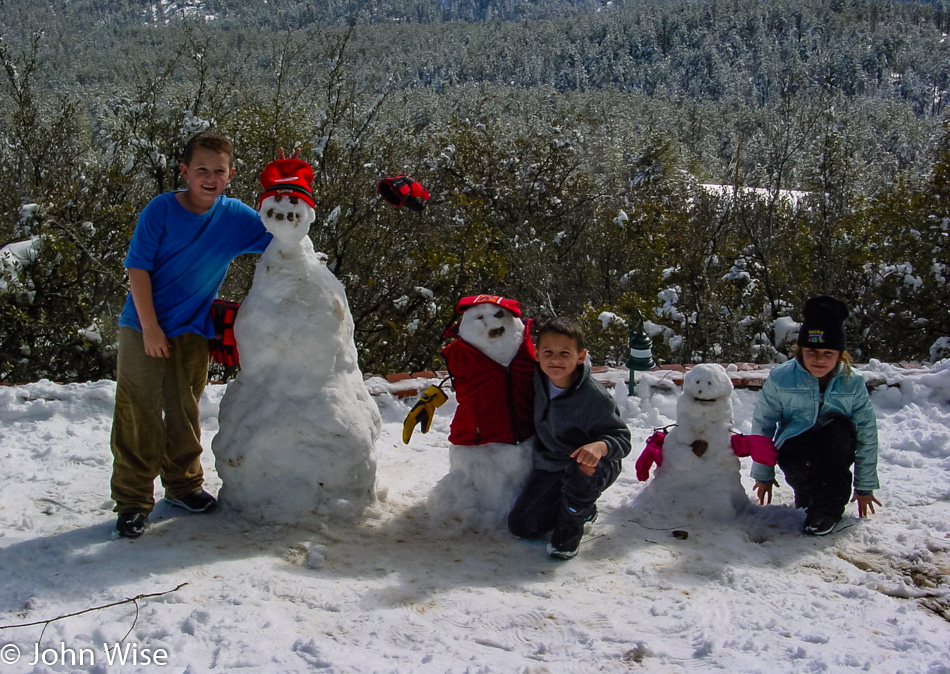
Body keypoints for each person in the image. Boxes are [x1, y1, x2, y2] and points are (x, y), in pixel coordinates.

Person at [110, 130, 273, 539]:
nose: (210, 178)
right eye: (202, 169)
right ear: (184, 171)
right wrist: (150, 328)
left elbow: (285, 233)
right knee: (139, 413)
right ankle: (132, 502)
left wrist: (285, 182)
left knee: (184, 411)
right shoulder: (161, 210)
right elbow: (137, 269)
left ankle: (183, 486)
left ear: (231, 174)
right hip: (142, 327)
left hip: (193, 330)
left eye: (219, 171)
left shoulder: (234, 217)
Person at [751, 296, 881, 536]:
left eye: (828, 353)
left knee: (838, 437)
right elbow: (763, 425)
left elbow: (867, 432)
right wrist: (763, 474)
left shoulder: (851, 382)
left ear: (840, 354)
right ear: (801, 350)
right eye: (812, 351)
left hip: (835, 444)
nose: (819, 360)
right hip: (796, 445)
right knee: (800, 462)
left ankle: (827, 511)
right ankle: (808, 494)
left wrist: (865, 487)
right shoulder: (782, 378)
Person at [508, 317, 631, 559]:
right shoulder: (537, 379)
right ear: (537, 354)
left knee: (582, 472)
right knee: (523, 526)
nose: (555, 360)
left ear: (581, 356)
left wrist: (599, 446)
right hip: (553, 463)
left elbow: (623, 438)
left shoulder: (594, 397)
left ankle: (570, 530)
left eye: (565, 353)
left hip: (594, 464)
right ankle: (579, 508)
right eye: (548, 352)